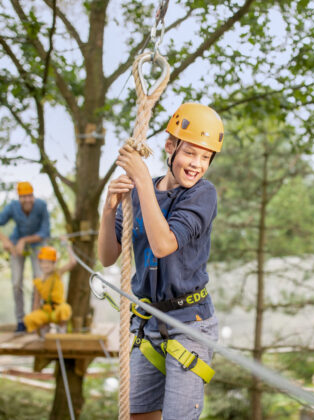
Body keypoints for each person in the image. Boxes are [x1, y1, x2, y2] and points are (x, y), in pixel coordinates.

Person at [98, 103, 224, 420]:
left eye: (205, 157)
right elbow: (107, 257)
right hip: (149, 323)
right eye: (190, 153)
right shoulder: (143, 191)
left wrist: (141, 180)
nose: (197, 164)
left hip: (189, 325)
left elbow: (164, 244)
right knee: (138, 415)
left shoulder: (202, 195)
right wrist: (109, 209)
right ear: (170, 147)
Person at [0, 181, 50, 332]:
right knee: (16, 283)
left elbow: (45, 232)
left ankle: (35, 318)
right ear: (19, 197)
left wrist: (24, 240)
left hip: (37, 244)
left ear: (33, 195)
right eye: (24, 197)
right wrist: (5, 240)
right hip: (16, 246)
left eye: (30, 196)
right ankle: (21, 321)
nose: (27, 199)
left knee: (39, 280)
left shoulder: (41, 206)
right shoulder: (12, 207)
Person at [24, 244, 75, 335]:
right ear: (39, 263)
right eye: (43, 262)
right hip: (46, 312)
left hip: (58, 309)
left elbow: (72, 263)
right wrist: (36, 321)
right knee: (30, 318)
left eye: (49, 262)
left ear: (54, 263)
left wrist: (67, 245)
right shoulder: (38, 282)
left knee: (64, 309)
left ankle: (61, 329)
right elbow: (36, 302)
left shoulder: (58, 274)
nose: (46, 265)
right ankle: (44, 330)